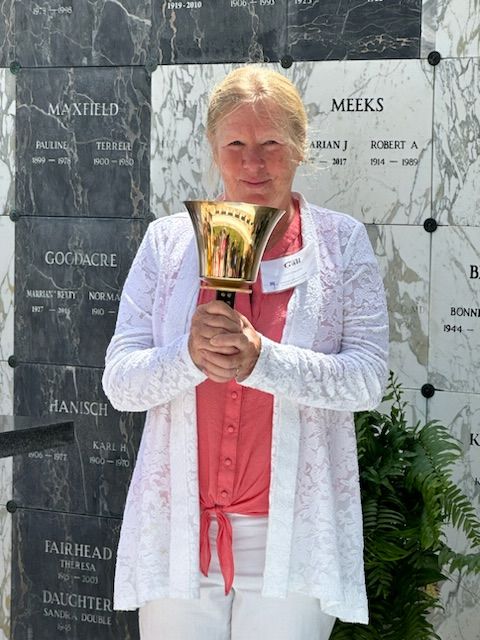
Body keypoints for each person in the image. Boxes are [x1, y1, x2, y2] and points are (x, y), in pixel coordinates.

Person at [102, 65, 389, 640]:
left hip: (290, 537)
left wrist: (265, 360)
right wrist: (188, 355)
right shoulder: (168, 243)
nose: (253, 163)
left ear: (300, 147)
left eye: (271, 144)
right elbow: (120, 382)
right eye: (236, 144)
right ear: (213, 148)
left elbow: (366, 381)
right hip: (179, 531)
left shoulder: (341, 242)